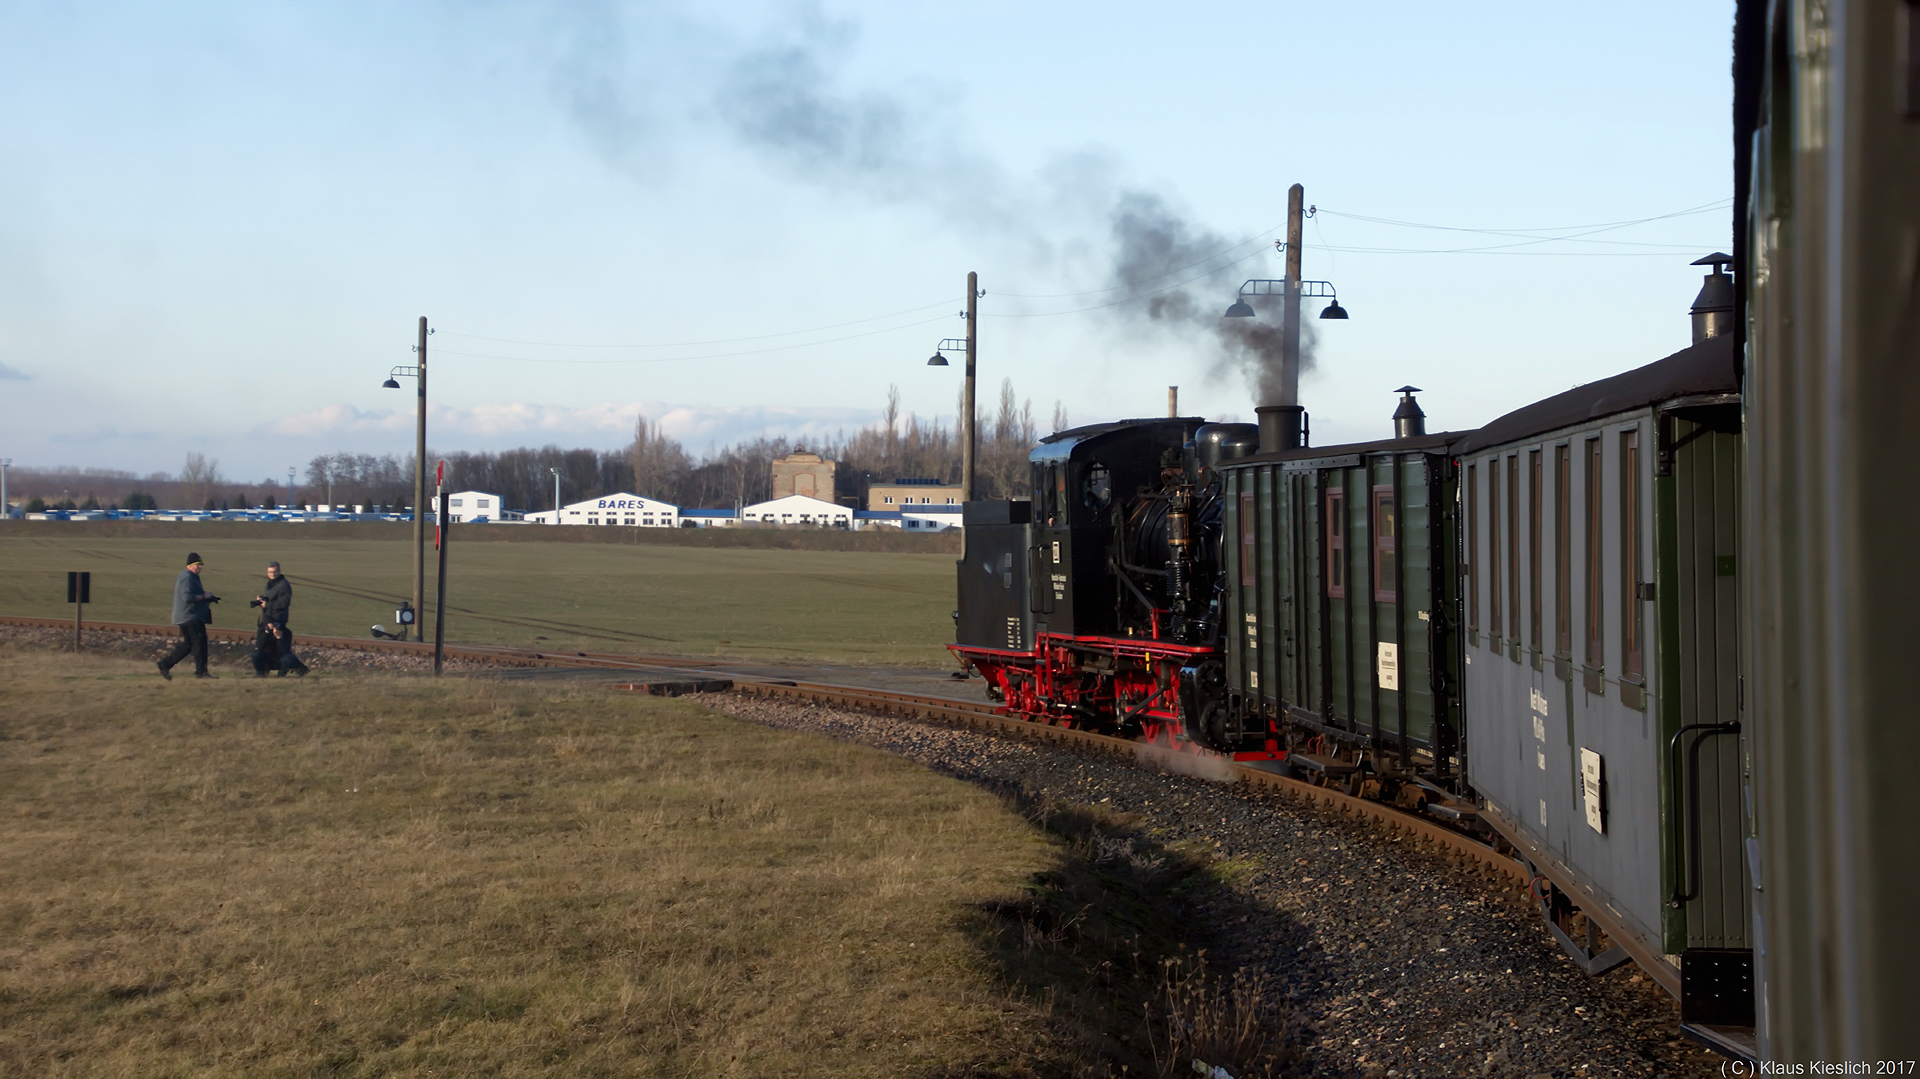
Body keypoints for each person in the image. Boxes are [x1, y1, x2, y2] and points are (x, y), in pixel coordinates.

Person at [158, 552, 220, 680]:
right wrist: (204, 596)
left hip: (189, 617)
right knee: (199, 644)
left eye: (201, 565)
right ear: (190, 565)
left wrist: (209, 598)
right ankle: (201, 672)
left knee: (188, 645)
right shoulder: (187, 577)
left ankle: (165, 664)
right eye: (198, 565)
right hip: (190, 617)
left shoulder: (192, 576)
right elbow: (187, 597)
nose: (200, 567)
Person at [250, 561, 308, 677]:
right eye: (270, 572)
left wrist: (268, 605)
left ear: (279, 572)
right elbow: (259, 645)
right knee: (260, 649)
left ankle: (285, 671)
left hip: (278, 619)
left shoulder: (284, 585)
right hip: (268, 618)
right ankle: (262, 671)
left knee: (282, 648)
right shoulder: (270, 583)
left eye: (275, 571)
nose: (273, 574)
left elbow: (285, 603)